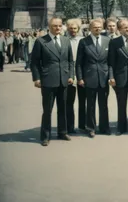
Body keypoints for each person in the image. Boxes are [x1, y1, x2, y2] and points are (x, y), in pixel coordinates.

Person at [30, 17, 74, 146]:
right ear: (49, 27)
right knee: (47, 110)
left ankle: (62, 132)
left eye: (60, 26)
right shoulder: (41, 41)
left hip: (64, 80)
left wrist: (71, 75)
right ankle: (45, 135)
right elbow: (34, 63)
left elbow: (70, 60)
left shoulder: (66, 41)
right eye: (55, 26)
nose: (58, 28)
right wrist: (37, 78)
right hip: (48, 80)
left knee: (63, 108)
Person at [76, 19, 111, 138]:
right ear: (90, 28)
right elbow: (79, 63)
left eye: (99, 27)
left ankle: (104, 127)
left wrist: (110, 76)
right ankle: (91, 128)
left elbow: (110, 61)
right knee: (90, 105)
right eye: (95, 27)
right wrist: (80, 78)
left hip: (104, 77)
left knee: (104, 104)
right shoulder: (84, 42)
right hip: (89, 77)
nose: (97, 29)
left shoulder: (107, 41)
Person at [65, 19, 83, 134]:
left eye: (75, 28)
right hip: (69, 73)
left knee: (83, 101)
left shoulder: (82, 40)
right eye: (70, 28)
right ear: (67, 29)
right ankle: (69, 127)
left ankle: (83, 125)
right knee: (69, 102)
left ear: (78, 29)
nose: (73, 31)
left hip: (81, 72)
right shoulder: (64, 40)